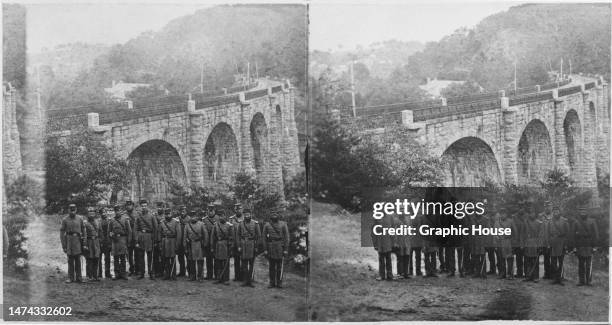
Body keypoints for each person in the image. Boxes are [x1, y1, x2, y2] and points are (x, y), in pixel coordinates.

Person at [262, 210, 289, 288]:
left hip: (280, 247)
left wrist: (286, 249)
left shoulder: (283, 224)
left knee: (280, 266)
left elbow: (287, 238)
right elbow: (264, 238)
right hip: (270, 247)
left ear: (278, 215)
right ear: (270, 216)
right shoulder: (267, 225)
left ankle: (279, 283)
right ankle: (272, 283)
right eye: (272, 213)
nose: (274, 215)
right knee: (271, 266)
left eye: (276, 213)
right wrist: (265, 249)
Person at [60, 204, 86, 283]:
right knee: (70, 260)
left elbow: (84, 230)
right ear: (68, 210)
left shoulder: (80, 219)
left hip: (78, 241)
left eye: (73, 209)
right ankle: (70, 277)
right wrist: (64, 245)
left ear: (76, 209)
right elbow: (62, 233)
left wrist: (84, 242)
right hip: (69, 241)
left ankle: (79, 277)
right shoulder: (65, 220)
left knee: (78, 259)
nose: (72, 211)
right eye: (71, 209)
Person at [573, 207, 599, 286]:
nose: (583, 213)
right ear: (579, 213)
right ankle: (581, 281)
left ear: (587, 212)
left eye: (584, 211)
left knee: (588, 265)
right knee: (581, 264)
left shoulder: (592, 221)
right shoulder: (576, 222)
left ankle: (589, 281)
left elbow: (596, 234)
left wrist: (595, 246)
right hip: (580, 245)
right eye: (581, 211)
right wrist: (574, 247)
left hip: (589, 245)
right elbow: (574, 236)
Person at [237, 209, 261, 287]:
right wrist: (239, 246)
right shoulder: (240, 224)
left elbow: (258, 236)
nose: (247, 216)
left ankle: (249, 281)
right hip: (243, 244)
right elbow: (238, 235)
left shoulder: (255, 223)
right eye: (245, 215)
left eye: (248, 214)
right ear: (243, 215)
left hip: (251, 245)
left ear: (251, 214)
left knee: (251, 263)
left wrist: (256, 246)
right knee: (244, 264)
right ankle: (245, 280)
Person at [135, 199, 158, 280]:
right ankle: (141, 273)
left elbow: (155, 228)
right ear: (140, 207)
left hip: (149, 237)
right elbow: (136, 229)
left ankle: (151, 273)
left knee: (150, 256)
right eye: (142, 206)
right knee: (140, 256)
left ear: (147, 206)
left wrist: (154, 240)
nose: (143, 207)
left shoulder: (152, 216)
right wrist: (137, 240)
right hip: (141, 236)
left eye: (145, 206)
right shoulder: (138, 216)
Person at [211, 209, 234, 284]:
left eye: (222, 216)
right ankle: (219, 278)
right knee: (218, 262)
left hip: (225, 246)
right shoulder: (216, 225)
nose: (221, 218)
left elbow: (232, 237)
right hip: (218, 245)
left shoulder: (229, 225)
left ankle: (226, 279)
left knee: (225, 263)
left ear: (225, 216)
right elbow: (213, 236)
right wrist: (212, 246)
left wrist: (230, 247)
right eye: (220, 216)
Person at [183, 212, 208, 281]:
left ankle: (200, 277)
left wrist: (205, 244)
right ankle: (192, 276)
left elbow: (205, 235)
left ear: (197, 216)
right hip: (190, 245)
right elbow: (185, 236)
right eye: (191, 216)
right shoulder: (187, 225)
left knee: (200, 261)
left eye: (194, 216)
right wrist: (185, 246)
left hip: (199, 245)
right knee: (191, 262)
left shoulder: (201, 224)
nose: (193, 218)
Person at [109, 204, 132, 280]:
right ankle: (116, 273)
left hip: (123, 240)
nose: (117, 212)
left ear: (121, 211)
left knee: (122, 257)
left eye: (118, 210)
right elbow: (109, 231)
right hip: (115, 241)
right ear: (114, 211)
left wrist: (128, 241)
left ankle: (123, 274)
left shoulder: (125, 219)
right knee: (115, 258)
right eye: (116, 211)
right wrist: (111, 236)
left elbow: (129, 231)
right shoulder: (112, 220)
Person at [159, 207, 182, 280]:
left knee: (172, 258)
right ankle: (167, 274)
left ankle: (173, 274)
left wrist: (177, 245)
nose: (167, 215)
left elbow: (179, 234)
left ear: (171, 214)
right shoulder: (162, 222)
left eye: (168, 214)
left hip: (172, 241)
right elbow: (159, 233)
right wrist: (160, 243)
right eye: (166, 214)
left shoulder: (176, 222)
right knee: (165, 258)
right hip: (165, 241)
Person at [548, 206, 569, 285]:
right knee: (553, 262)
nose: (556, 213)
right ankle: (555, 278)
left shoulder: (564, 220)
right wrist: (548, 243)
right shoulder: (550, 221)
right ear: (553, 212)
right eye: (554, 211)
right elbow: (548, 233)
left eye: (557, 211)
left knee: (560, 262)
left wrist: (566, 245)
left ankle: (559, 279)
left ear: (560, 212)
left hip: (561, 243)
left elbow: (567, 234)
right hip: (553, 243)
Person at [523, 207, 543, 283]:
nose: (532, 214)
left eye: (533, 213)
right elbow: (522, 234)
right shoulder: (526, 222)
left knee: (535, 260)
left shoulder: (538, 223)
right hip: (527, 243)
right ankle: (528, 276)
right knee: (527, 260)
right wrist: (523, 244)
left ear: (535, 214)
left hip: (535, 243)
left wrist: (540, 245)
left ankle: (535, 277)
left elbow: (541, 235)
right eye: (530, 213)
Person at [83, 207, 101, 282]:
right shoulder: (85, 223)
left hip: (96, 242)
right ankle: (89, 276)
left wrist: (100, 241)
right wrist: (85, 244)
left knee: (96, 258)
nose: (91, 215)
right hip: (89, 242)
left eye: (93, 213)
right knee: (89, 259)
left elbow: (100, 232)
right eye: (90, 213)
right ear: (87, 214)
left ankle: (95, 276)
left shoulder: (97, 222)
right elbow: (84, 234)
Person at [202, 203, 218, 280]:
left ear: (214, 211)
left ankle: (217, 275)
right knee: (208, 259)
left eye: (212, 211)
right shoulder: (204, 219)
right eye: (209, 211)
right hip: (207, 242)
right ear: (207, 211)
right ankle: (209, 275)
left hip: (216, 242)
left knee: (216, 259)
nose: (210, 212)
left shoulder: (218, 218)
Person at [229, 203, 244, 281]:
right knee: (236, 260)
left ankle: (243, 276)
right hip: (235, 243)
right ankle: (237, 276)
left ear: (242, 209)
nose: (238, 210)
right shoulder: (231, 219)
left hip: (244, 243)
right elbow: (229, 231)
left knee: (244, 260)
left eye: (240, 209)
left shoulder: (245, 218)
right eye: (237, 209)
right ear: (235, 210)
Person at [393, 213, 411, 279]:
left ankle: (406, 273)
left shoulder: (407, 219)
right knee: (400, 258)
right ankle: (400, 273)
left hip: (407, 241)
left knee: (406, 257)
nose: (402, 212)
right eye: (400, 209)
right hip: (399, 241)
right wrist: (395, 242)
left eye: (403, 209)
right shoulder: (396, 221)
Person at [98, 207, 112, 279]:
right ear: (100, 214)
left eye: (105, 212)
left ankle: (107, 273)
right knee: (99, 258)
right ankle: (99, 273)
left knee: (107, 258)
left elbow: (111, 231)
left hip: (107, 242)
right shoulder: (98, 222)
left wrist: (110, 242)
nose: (104, 214)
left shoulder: (109, 221)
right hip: (100, 242)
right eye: (102, 213)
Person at [124, 200, 137, 276]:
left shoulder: (137, 214)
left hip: (136, 237)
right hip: (128, 238)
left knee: (137, 254)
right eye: (127, 205)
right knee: (129, 255)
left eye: (130, 205)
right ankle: (131, 269)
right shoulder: (124, 215)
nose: (129, 206)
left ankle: (137, 269)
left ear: (133, 206)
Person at [176, 206, 190, 277]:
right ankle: (182, 272)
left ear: (186, 212)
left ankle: (190, 272)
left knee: (189, 257)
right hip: (179, 241)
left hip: (187, 241)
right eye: (181, 211)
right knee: (180, 257)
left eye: (184, 211)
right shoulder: (177, 219)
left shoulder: (189, 219)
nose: (182, 212)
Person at [152, 202, 165, 278]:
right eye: (158, 207)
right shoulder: (154, 216)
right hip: (156, 238)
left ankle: (162, 271)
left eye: (161, 207)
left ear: (163, 207)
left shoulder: (165, 215)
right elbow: (153, 228)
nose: (159, 208)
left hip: (163, 239)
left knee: (163, 256)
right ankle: (156, 271)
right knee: (155, 256)